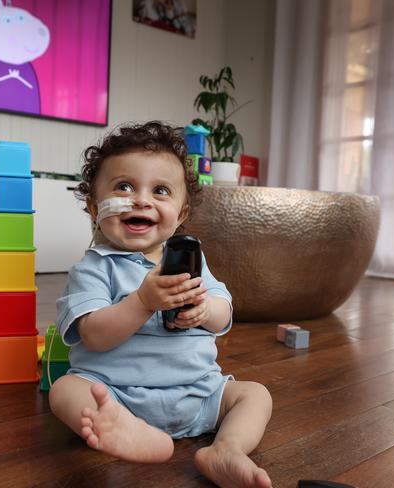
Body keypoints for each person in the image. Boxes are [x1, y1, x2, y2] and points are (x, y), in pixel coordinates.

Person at [48, 121, 273, 488]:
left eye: (161, 190)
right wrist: (141, 302)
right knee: (65, 392)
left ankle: (226, 449)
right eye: (123, 186)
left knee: (255, 395)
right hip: (115, 397)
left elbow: (224, 313)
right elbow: (94, 336)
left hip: (198, 393)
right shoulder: (93, 268)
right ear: (93, 206)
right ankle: (130, 432)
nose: (141, 200)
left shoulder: (190, 261)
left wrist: (205, 311)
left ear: (181, 214)